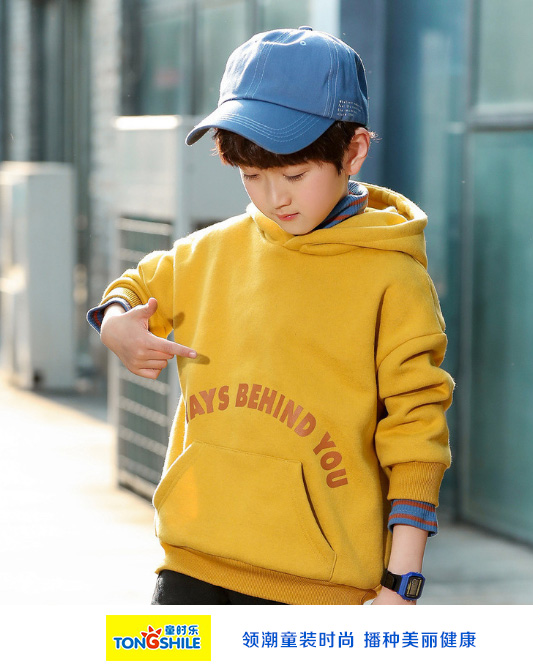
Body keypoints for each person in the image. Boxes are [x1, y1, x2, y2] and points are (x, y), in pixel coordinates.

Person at [88, 27, 453, 605]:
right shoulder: (209, 252)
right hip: (189, 567)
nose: (274, 198)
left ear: (354, 151)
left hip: (320, 590)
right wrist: (116, 324)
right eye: (251, 176)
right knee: (140, 649)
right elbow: (133, 287)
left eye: (294, 175)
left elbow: (416, 432)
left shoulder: (392, 277)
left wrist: (401, 584)